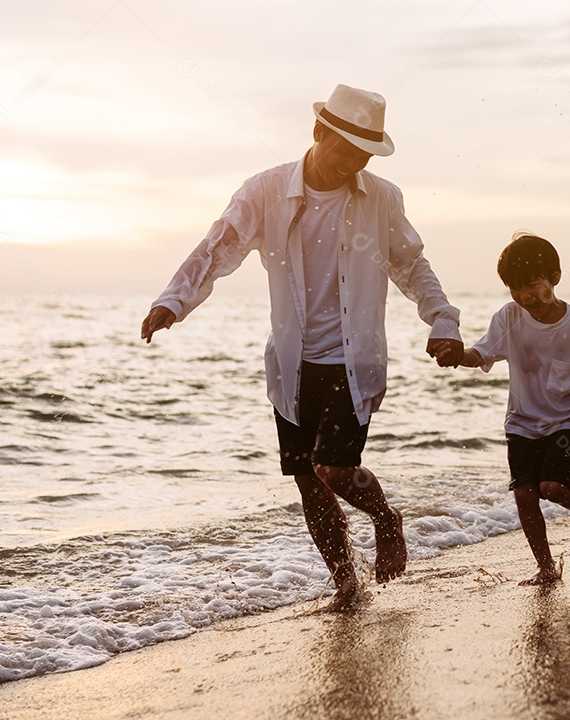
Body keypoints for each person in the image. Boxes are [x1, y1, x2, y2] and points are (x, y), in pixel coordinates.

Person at [140, 84, 464, 608]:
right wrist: (174, 301)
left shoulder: (381, 197)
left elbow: (410, 265)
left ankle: (386, 518)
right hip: (291, 364)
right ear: (318, 133)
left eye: (362, 155)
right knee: (308, 481)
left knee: (334, 469)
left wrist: (442, 321)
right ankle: (346, 586)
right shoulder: (264, 191)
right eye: (345, 151)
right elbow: (218, 247)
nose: (352, 164)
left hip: (351, 360)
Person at [454, 233, 570, 585]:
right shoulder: (508, 317)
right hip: (521, 422)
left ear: (555, 277)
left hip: (567, 420)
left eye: (533, 286)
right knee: (524, 493)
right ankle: (546, 567)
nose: (524, 297)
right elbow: (481, 353)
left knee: (551, 486)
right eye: (515, 289)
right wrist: (457, 355)